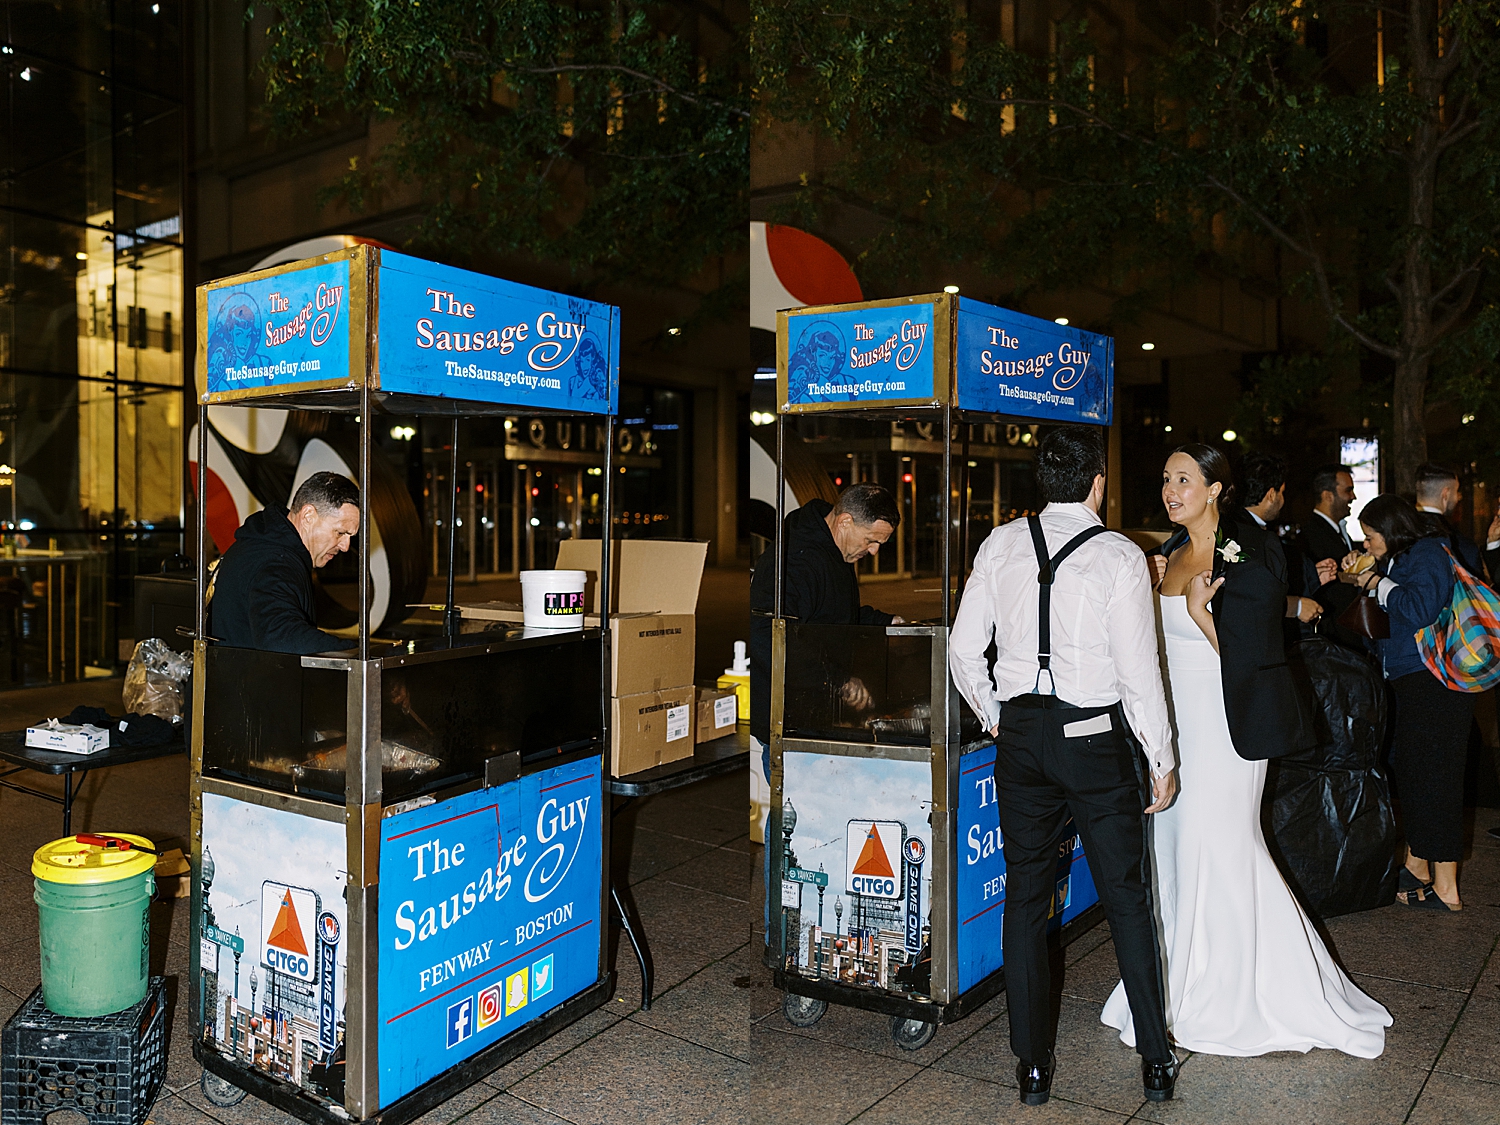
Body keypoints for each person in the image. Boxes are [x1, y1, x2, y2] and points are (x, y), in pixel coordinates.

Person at [1101, 445, 1390, 1058]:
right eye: (1165, 478)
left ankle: (1243, 992)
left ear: (1215, 489)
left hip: (1228, 728)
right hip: (1174, 727)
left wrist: (1204, 616)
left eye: (1183, 479)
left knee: (1223, 845)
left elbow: (1253, 658)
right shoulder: (1172, 555)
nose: (1170, 489)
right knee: (1176, 850)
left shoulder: (1252, 555)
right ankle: (1176, 984)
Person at [949, 426, 1180, 1107]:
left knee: (1024, 897)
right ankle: (1156, 1060)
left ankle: (1031, 1068)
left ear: (1041, 482)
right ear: (1097, 483)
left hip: (1020, 737)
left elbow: (965, 649)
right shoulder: (1118, 554)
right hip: (1093, 739)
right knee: (1126, 899)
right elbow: (1139, 670)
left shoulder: (1001, 542)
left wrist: (996, 714)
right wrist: (1160, 757)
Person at [749, 483, 904, 930]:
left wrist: (883, 621)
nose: (874, 552)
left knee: (814, 829)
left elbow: (834, 620)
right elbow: (774, 640)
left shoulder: (834, 553)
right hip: (791, 720)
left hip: (819, 719)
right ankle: (782, 936)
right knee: (791, 838)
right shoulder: (793, 560)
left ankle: (811, 931)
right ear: (844, 521)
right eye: (871, 541)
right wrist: (838, 681)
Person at [1338, 494, 1471, 911]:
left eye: (1371, 536)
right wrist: (1361, 579)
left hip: (1436, 682)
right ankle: (1419, 866)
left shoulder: (1429, 552)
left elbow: (1420, 608)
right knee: (1417, 775)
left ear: (1392, 530)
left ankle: (1446, 886)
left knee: (1437, 779)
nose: (1367, 544)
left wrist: (1377, 583)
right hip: (1411, 681)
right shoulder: (1398, 559)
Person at [209, 472, 360, 653]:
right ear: (308, 516)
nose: (345, 546)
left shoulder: (261, 545)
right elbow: (280, 635)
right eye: (340, 532)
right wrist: (357, 653)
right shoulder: (277, 563)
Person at [1239, 451, 1322, 629]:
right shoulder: (1259, 538)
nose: (1283, 501)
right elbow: (1257, 595)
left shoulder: (1234, 526)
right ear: (1271, 495)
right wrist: (1298, 606)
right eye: (1282, 493)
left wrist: (1312, 574)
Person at [1300, 463, 1365, 649]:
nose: (1353, 497)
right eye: (1348, 490)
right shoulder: (1312, 534)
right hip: (1335, 635)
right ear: (1328, 495)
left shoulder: (1338, 531)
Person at [1414, 462, 1487, 577]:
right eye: (1457, 491)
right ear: (1445, 494)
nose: (1459, 497)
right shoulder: (1460, 546)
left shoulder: (1395, 532)